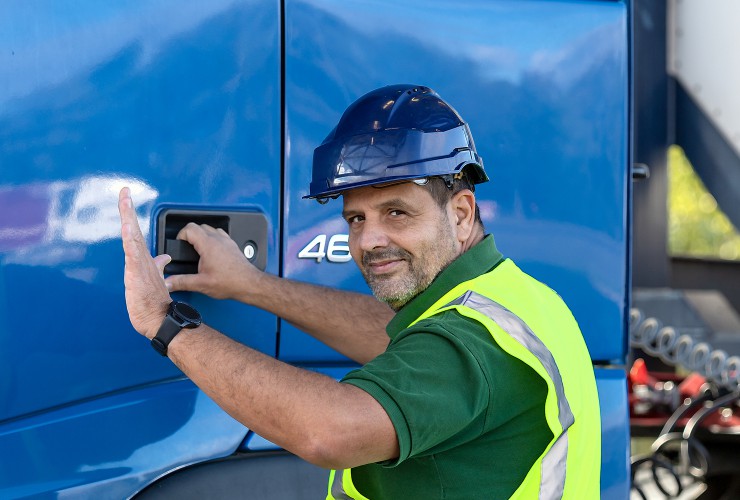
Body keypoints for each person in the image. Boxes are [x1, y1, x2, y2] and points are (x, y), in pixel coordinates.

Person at [119, 84, 601, 499]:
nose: (369, 240)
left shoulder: (469, 346)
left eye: (397, 213)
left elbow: (328, 431)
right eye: (356, 219)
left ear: (460, 213)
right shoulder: (513, 300)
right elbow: (400, 340)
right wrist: (253, 285)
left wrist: (164, 323)